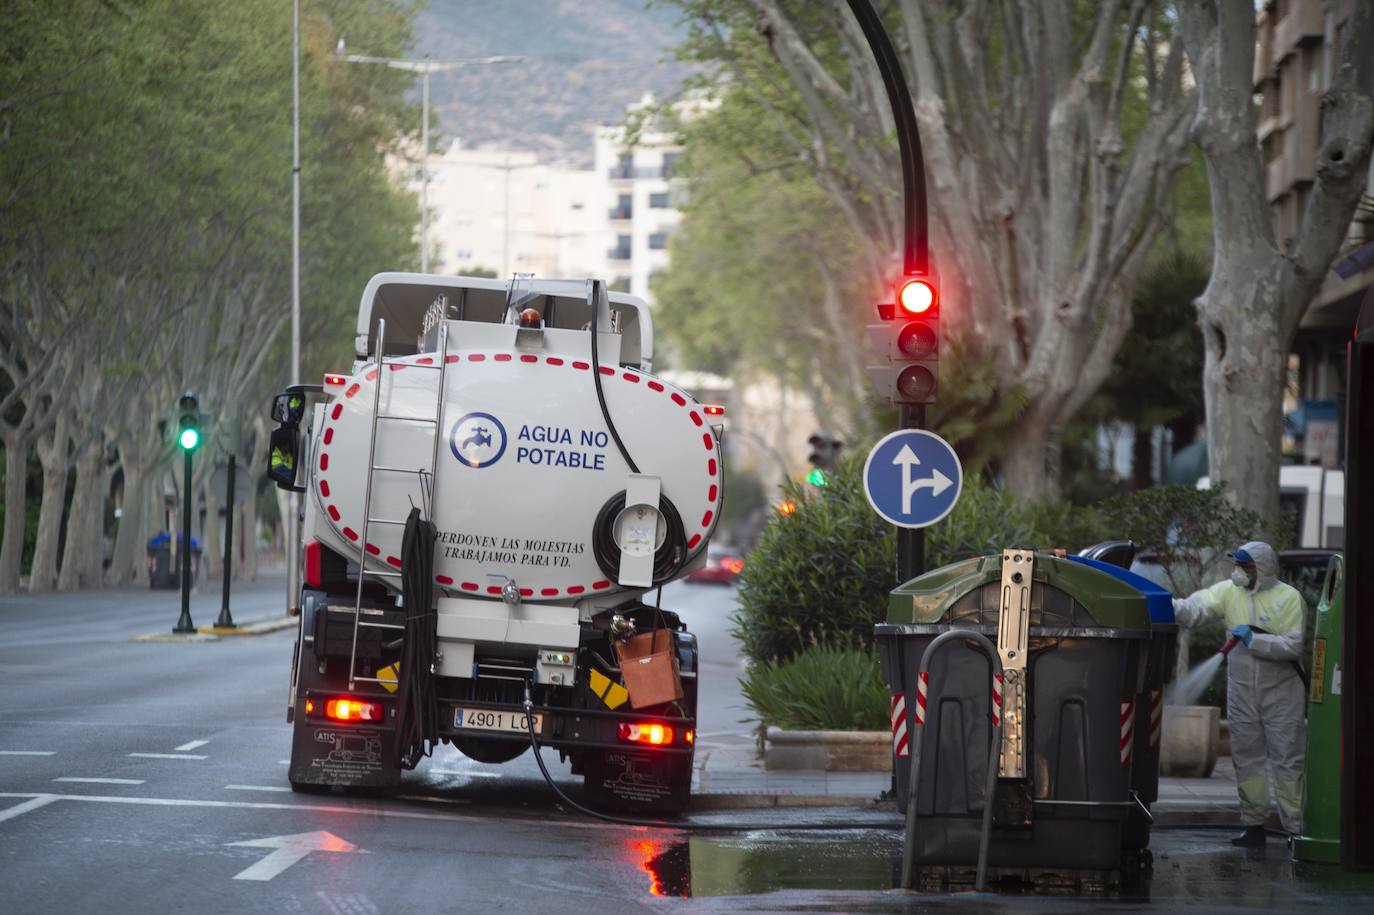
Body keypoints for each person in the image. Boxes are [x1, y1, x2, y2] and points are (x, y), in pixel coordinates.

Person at [1172, 541, 1307, 847]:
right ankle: (1253, 825)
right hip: (1243, 692)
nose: (1238, 572)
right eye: (1237, 566)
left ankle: (1296, 830)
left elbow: (1293, 646)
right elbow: (1197, 607)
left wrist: (1255, 640)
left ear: (1262, 568)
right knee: (1247, 761)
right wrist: (1170, 607)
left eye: (1245, 567)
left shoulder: (1289, 598)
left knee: (1288, 761)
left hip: (1282, 695)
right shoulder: (1228, 592)